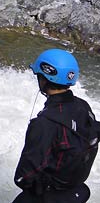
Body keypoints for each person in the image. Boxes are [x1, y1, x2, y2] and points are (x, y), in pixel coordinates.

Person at [13, 49, 100, 203]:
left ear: (44, 79)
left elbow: (22, 178)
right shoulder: (83, 106)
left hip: (50, 197)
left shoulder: (44, 123)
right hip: (77, 191)